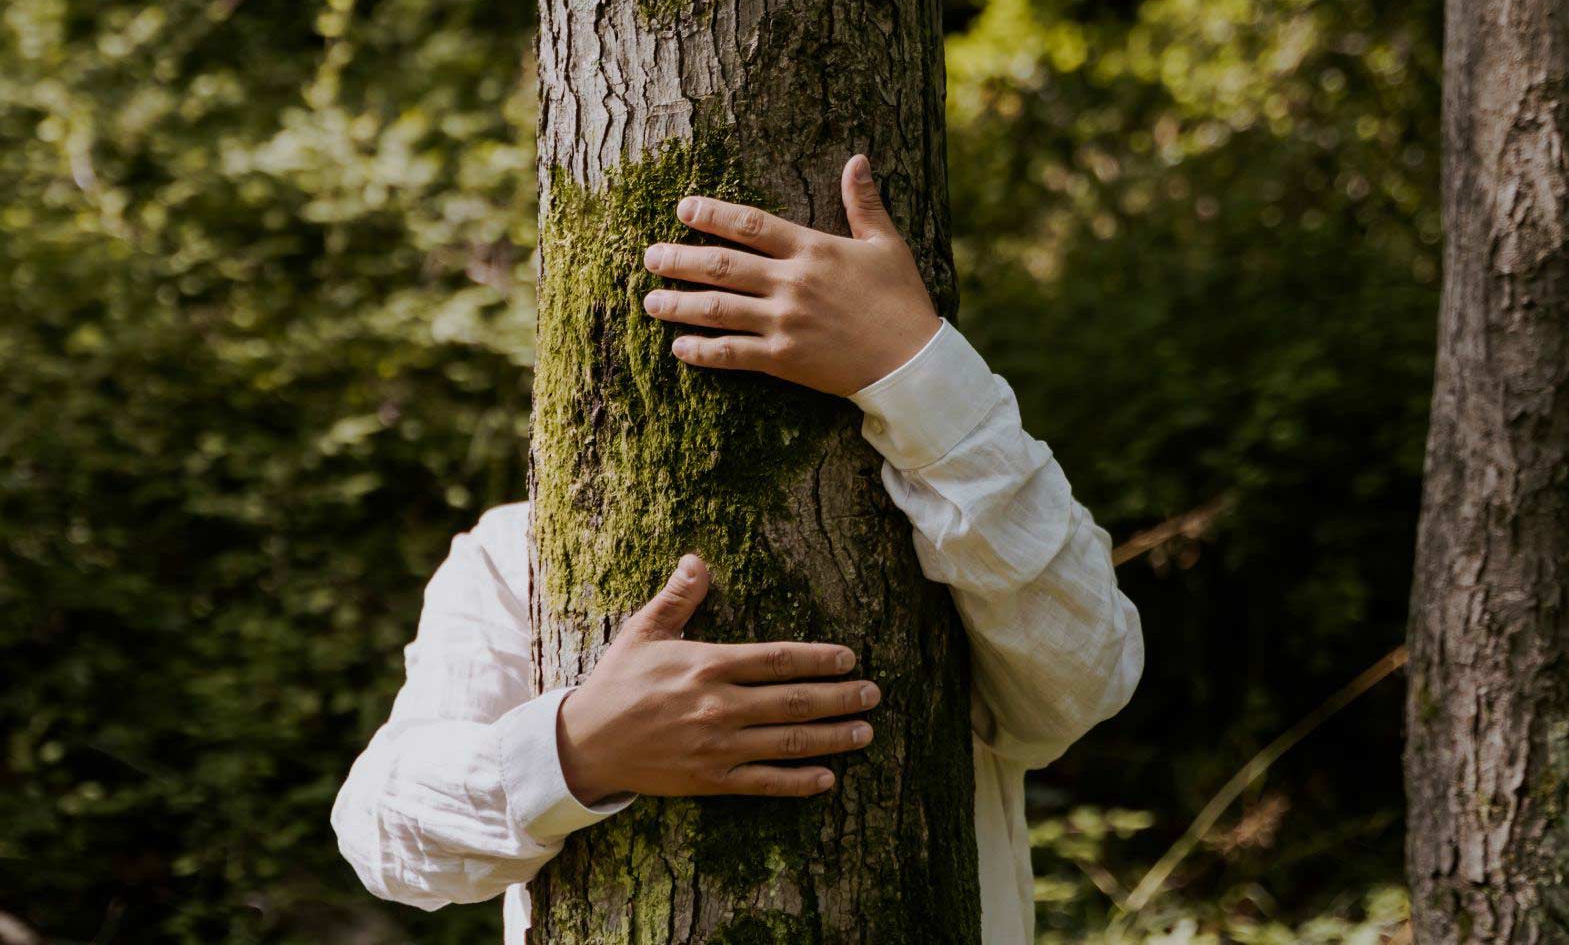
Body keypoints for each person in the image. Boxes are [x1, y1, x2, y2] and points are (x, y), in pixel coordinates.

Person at [331, 155, 1144, 943]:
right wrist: (576, 749)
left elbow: (1084, 682)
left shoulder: (948, 493)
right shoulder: (517, 555)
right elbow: (384, 836)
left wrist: (914, 366)